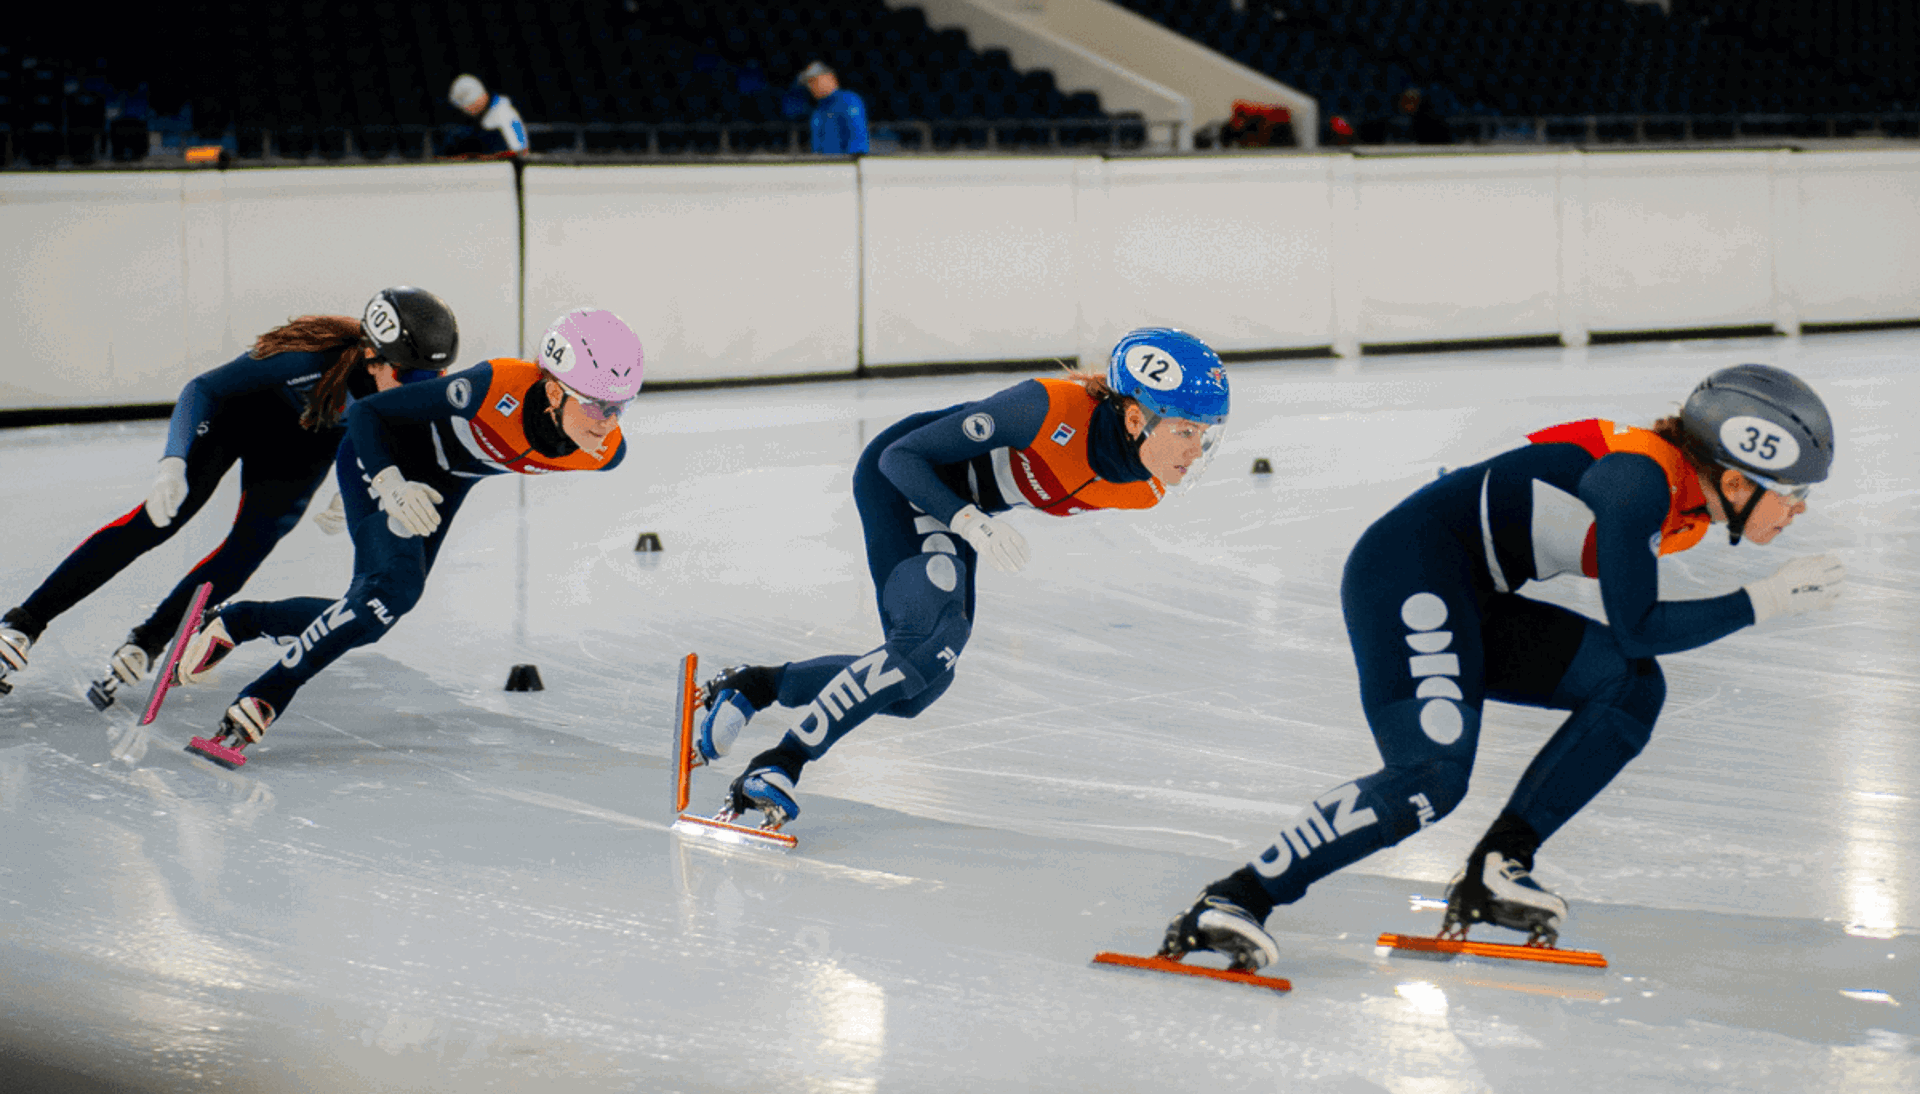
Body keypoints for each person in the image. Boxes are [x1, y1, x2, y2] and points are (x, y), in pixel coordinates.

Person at [1158, 364, 1846, 972]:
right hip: (1407, 576)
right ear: (1735, 479)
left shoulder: (1677, 490)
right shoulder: (1640, 480)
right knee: (1430, 777)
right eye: (1793, 493)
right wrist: (1763, 601)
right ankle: (1235, 896)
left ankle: (1497, 868)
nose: (1798, 511)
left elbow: (1629, 643)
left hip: (1467, 592)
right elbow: (1638, 626)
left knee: (1628, 686)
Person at [688, 327, 1231, 830]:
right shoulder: (1046, 407)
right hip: (908, 481)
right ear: (1136, 420)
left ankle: (754, 686)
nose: (1195, 450)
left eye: (1205, 434)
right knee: (928, 642)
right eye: (1185, 431)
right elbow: (902, 457)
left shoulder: (1147, 488)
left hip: (961, 511)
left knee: (915, 687)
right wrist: (971, 523)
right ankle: (779, 764)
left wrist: (973, 521)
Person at [164, 307, 644, 764]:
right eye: (599, 406)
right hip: (383, 456)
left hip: (441, 484)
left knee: (374, 614)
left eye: (622, 406)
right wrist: (386, 481)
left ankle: (239, 621)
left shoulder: (602, 452)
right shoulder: (493, 386)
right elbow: (369, 415)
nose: (610, 423)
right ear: (555, 391)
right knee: (389, 593)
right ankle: (264, 698)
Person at [0, 288, 460, 704]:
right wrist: (173, 462)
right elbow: (204, 388)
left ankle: (150, 639)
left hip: (303, 446)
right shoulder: (311, 359)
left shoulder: (403, 387)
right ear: (371, 356)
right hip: (237, 419)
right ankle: (23, 624)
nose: (417, 390)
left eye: (430, 377)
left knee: (247, 551)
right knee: (154, 523)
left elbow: (389, 440)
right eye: (407, 375)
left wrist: (360, 481)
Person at [444, 73, 529, 158]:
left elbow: (520, 151)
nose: (466, 111)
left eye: (468, 106)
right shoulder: (481, 116)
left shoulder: (506, 114)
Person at [796, 60, 869, 155]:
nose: (810, 86)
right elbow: (817, 147)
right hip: (826, 166)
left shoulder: (848, 101)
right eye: (808, 83)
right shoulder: (818, 111)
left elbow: (858, 139)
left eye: (814, 80)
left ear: (830, 77)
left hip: (845, 166)